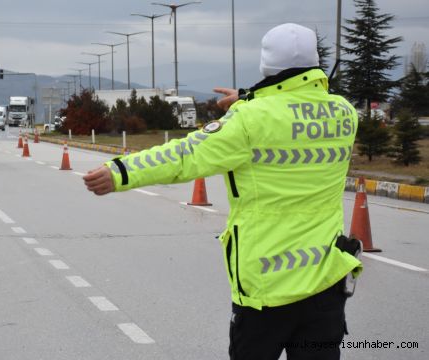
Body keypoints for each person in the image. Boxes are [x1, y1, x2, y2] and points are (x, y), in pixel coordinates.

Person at [82, 23, 362, 360]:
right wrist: (246, 99)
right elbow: (294, 111)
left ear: (266, 65)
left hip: (267, 288)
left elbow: (184, 156)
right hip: (326, 283)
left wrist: (121, 172)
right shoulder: (344, 113)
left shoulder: (248, 121)